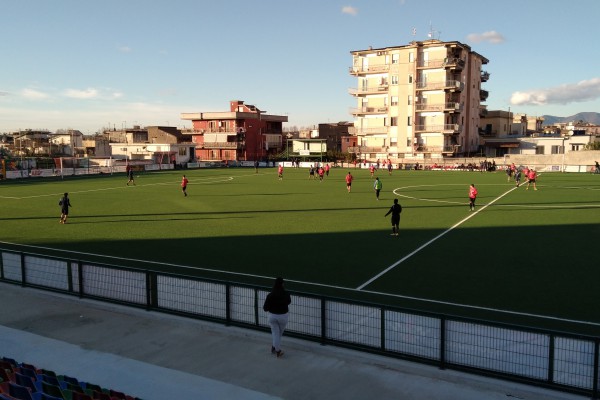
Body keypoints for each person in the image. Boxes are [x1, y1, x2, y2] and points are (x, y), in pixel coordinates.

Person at [262, 277, 291, 358]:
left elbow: (265, 308)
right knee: (278, 334)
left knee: (276, 334)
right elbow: (289, 301)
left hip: (272, 316)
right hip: (283, 317)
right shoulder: (286, 294)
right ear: (282, 284)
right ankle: (278, 351)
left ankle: (274, 347)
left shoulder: (270, 295)